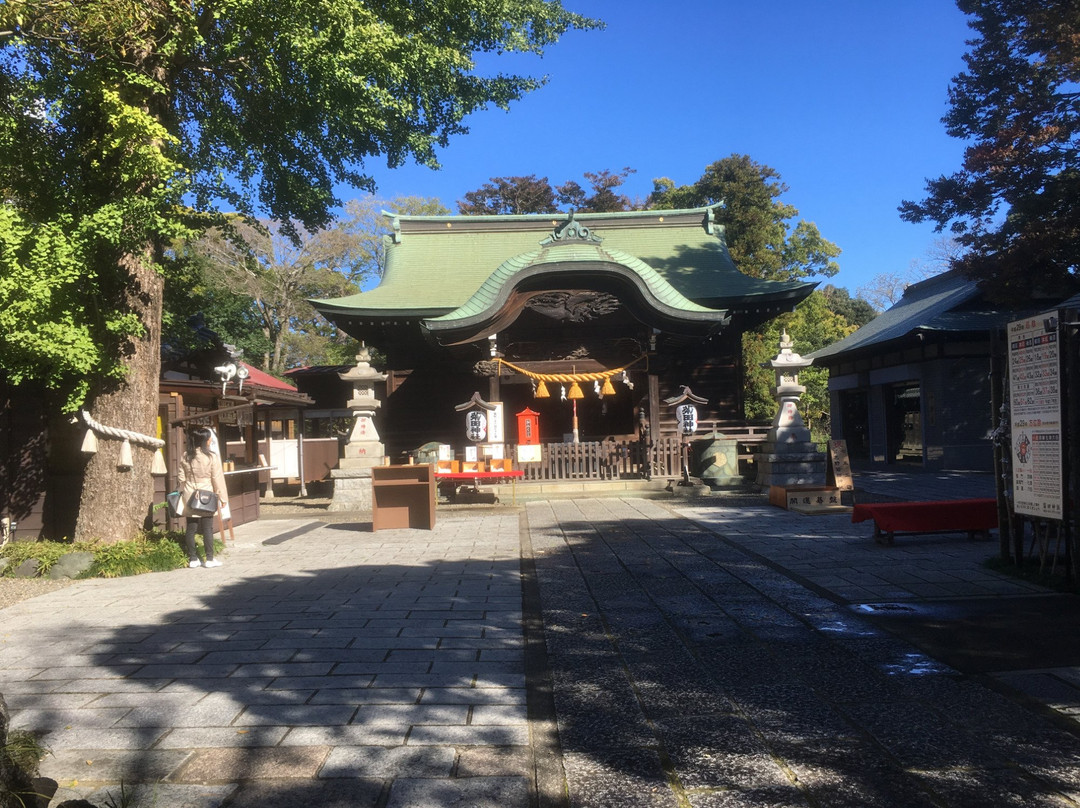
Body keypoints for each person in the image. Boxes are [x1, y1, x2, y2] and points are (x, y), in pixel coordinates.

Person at [177, 426, 229, 568]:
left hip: (190, 493)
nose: (210, 439)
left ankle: (193, 559)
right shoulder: (211, 457)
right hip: (206, 494)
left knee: (191, 528)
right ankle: (210, 559)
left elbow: (181, 478)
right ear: (204, 441)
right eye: (208, 438)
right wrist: (223, 498)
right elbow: (217, 478)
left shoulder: (186, 456)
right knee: (207, 528)